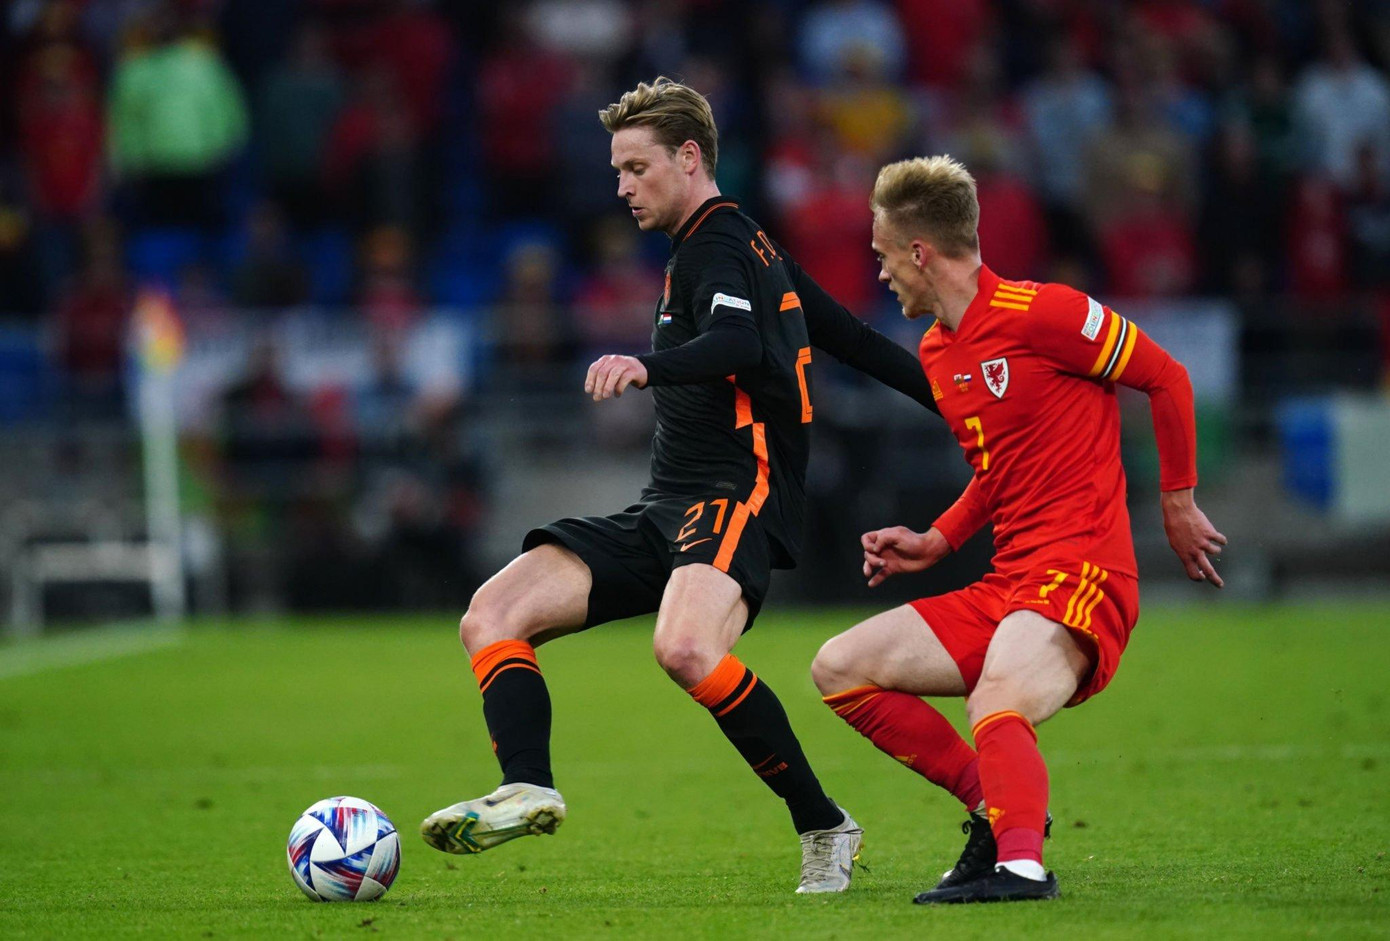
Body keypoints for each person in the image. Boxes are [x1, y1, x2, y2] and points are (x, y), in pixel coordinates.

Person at [419, 78, 940, 893]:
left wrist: (645, 366)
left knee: (687, 648)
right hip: (665, 504)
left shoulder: (718, 244)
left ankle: (823, 824)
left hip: (736, 494)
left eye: (636, 167)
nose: (622, 188)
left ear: (689, 157)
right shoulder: (744, 248)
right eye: (617, 171)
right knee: (492, 614)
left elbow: (737, 343)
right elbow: (854, 339)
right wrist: (956, 402)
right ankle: (526, 785)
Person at [810, 156, 1226, 903]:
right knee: (840, 666)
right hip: (1010, 582)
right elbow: (1000, 470)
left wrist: (1178, 502)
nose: (880, 272)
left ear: (919, 252)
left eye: (883, 255)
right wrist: (938, 539)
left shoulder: (1047, 313)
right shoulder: (938, 351)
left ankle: (1023, 869)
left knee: (996, 699)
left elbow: (1166, 376)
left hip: (1083, 574)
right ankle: (995, 808)